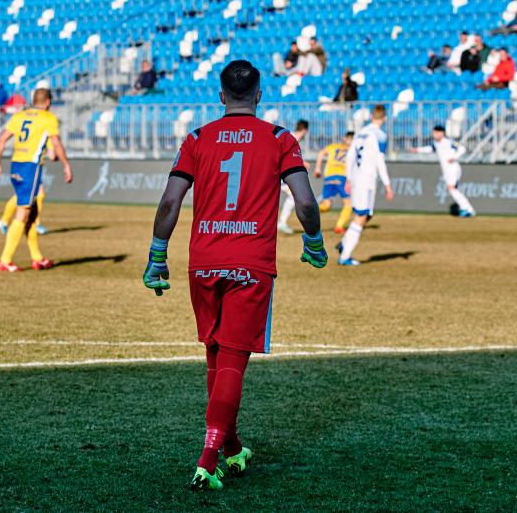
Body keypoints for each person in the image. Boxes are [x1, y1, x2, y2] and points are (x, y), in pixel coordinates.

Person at [141, 59, 327, 491]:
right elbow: (304, 202)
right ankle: (207, 460)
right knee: (233, 361)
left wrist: (157, 255)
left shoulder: (197, 138)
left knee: (216, 355)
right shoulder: (280, 138)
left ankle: (232, 446)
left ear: (221, 95)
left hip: (204, 260)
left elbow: (170, 201)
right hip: (250, 263)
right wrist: (314, 241)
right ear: (259, 95)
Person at [0, 88, 73, 272]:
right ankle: (5, 260)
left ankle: (37, 258)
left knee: (32, 213)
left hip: (15, 165)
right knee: (24, 213)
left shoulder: (19, 116)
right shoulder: (48, 118)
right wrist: (66, 165)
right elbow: (56, 143)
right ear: (48, 102)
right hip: (30, 168)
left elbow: (1, 139)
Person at [338, 105, 394, 266]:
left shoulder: (361, 132)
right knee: (362, 216)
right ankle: (345, 256)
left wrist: (348, 178)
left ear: (371, 116)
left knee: (364, 215)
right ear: (384, 118)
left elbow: (350, 156)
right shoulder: (380, 135)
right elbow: (379, 161)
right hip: (367, 180)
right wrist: (387, 185)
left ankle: (344, 243)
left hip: (356, 178)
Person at [410, 126, 475, 217]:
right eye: (434, 132)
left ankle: (465, 208)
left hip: (453, 168)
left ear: (442, 133)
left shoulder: (449, 142)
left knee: (451, 188)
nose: (434, 134)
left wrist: (454, 157)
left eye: (436, 132)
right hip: (446, 170)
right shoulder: (436, 143)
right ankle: (469, 210)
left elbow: (462, 149)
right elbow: (430, 149)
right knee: (453, 190)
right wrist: (417, 149)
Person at [314, 131, 354, 234]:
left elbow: (321, 153)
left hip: (329, 177)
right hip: (342, 177)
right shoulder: (353, 149)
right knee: (349, 203)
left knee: (326, 205)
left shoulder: (334, 146)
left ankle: (311, 210)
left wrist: (317, 168)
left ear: (344, 138)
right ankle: (339, 227)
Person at [278, 120, 310, 234]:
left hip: (280, 174)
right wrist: (302, 163)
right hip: (281, 175)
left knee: (292, 196)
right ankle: (281, 222)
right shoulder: (292, 138)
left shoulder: (291, 137)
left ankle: (281, 222)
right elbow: (286, 155)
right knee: (293, 196)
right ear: (305, 130)